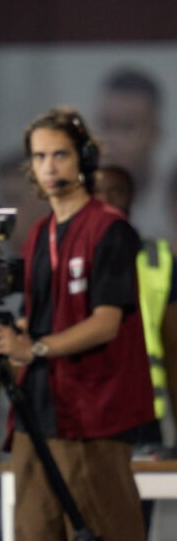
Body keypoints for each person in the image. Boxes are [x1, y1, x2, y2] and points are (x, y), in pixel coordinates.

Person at [0, 106, 167, 541]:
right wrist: (10, 342)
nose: (49, 167)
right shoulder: (39, 235)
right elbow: (40, 319)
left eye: (59, 154)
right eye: (39, 157)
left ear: (82, 159)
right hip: (41, 408)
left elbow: (107, 322)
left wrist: (30, 347)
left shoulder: (110, 230)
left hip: (96, 410)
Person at [95, 164, 177, 449]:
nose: (107, 200)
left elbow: (173, 347)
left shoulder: (158, 259)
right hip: (83, 410)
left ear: (132, 196)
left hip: (143, 409)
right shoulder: (65, 255)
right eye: (98, 192)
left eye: (116, 191)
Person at [95, 68, 174, 242]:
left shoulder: (170, 204)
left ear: (155, 133)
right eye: (105, 125)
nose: (110, 140)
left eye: (126, 127)